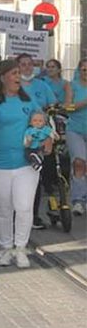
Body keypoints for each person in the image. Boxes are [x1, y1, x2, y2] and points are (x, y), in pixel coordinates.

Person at [0, 59, 44, 269]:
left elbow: (41, 120)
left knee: (23, 207)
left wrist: (45, 138)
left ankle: (20, 248)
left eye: (18, 74)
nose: (18, 77)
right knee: (3, 209)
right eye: (13, 73)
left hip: (25, 163)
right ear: (3, 77)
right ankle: (6, 248)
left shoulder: (28, 100)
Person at [17, 53, 57, 230]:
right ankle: (15, 214)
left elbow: (52, 105)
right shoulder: (13, 86)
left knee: (36, 176)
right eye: (23, 64)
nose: (27, 68)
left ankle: (33, 215)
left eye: (29, 64)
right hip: (19, 137)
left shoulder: (42, 85)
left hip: (39, 138)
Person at [65, 58, 87, 215]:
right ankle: (78, 200)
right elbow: (68, 107)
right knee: (79, 162)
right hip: (75, 129)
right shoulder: (72, 86)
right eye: (84, 69)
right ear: (79, 70)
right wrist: (84, 103)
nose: (86, 72)